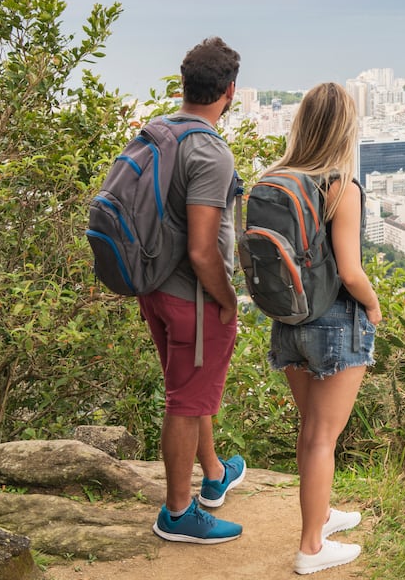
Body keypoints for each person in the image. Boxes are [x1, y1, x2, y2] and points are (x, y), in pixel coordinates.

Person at [266, 82, 381, 575]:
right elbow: (350, 272)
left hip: (287, 320)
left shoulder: (275, 178)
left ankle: (322, 514)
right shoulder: (340, 185)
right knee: (322, 438)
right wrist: (374, 307)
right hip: (334, 322)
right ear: (344, 130)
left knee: (311, 431)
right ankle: (311, 547)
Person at [144, 37, 247, 543]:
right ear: (230, 92)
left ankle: (213, 474)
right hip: (193, 298)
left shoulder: (159, 131)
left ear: (185, 85)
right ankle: (178, 514)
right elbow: (204, 251)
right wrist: (227, 298)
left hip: (154, 286)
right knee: (185, 402)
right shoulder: (210, 151)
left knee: (190, 388)